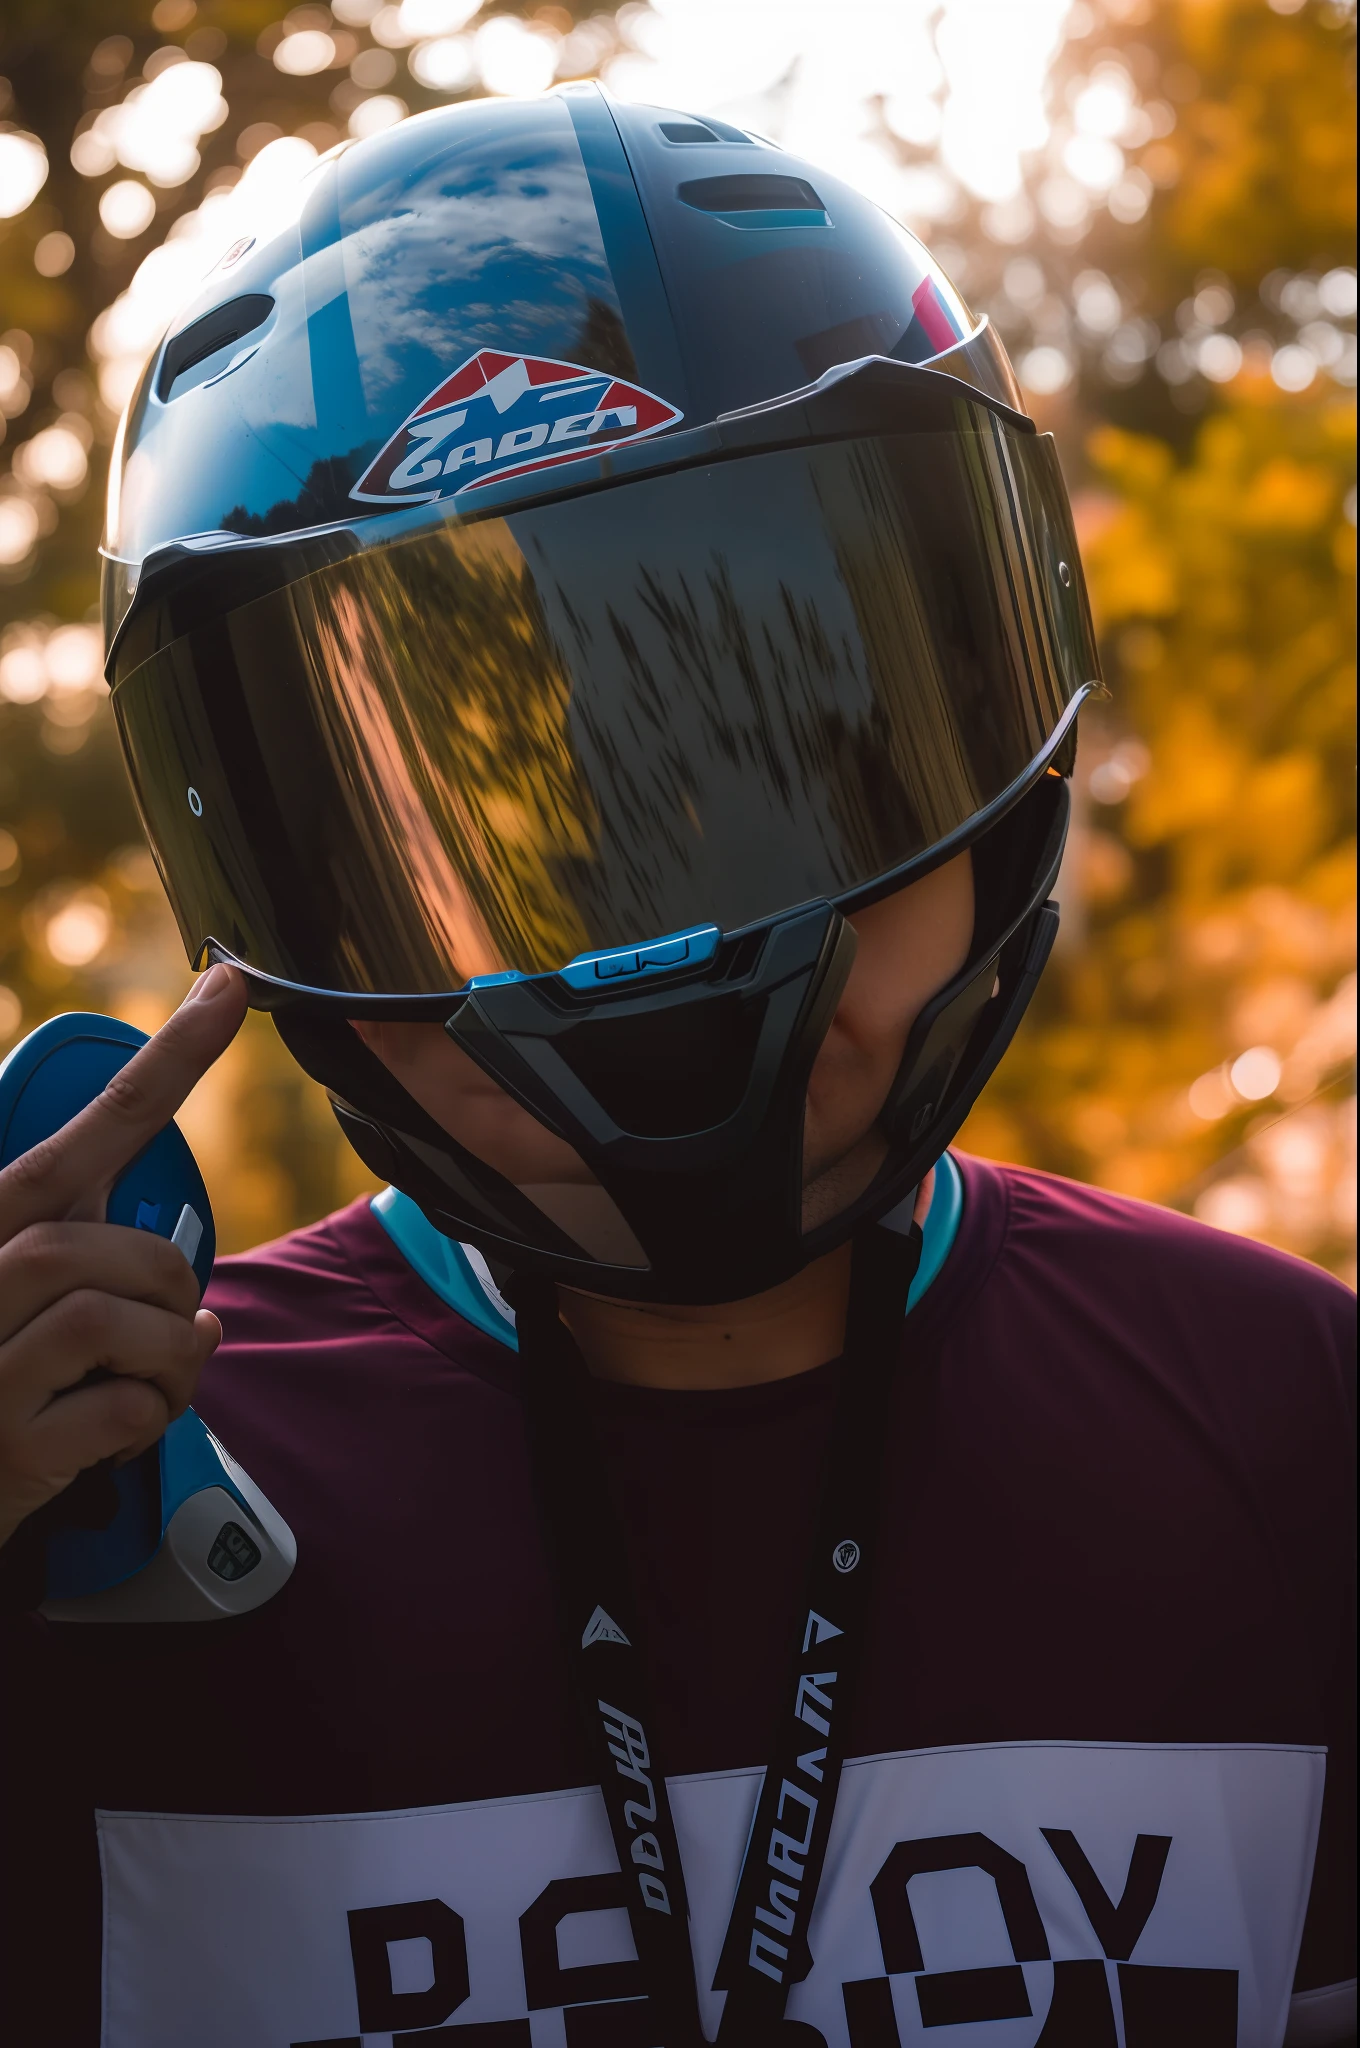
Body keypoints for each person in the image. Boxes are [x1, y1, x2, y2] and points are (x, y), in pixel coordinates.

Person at [0, 84, 1353, 2048]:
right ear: (271, 888)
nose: (666, 950)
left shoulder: (1286, 1430)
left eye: (795, 761)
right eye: (475, 848)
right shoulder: (96, 1507)